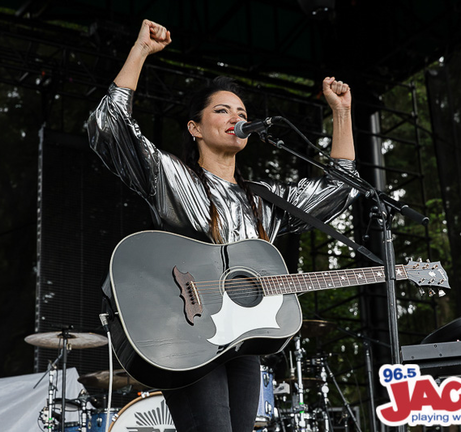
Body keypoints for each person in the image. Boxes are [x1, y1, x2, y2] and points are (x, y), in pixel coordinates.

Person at [87, 19, 360, 432]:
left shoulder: (263, 198)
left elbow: (340, 190)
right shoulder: (173, 177)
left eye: (243, 114)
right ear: (195, 128)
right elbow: (111, 127)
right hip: (188, 329)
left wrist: (342, 114)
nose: (236, 118)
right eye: (222, 110)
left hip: (243, 341)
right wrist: (140, 51)